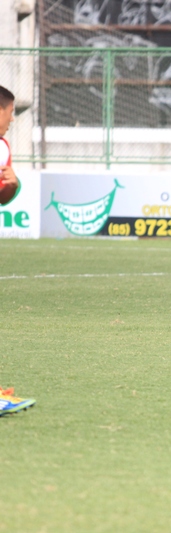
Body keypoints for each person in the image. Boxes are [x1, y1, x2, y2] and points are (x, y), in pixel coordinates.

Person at [0, 85, 36, 416]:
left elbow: (2, 198)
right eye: (11, 112)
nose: (12, 119)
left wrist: (12, 187)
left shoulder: (2, 148)